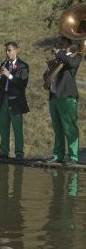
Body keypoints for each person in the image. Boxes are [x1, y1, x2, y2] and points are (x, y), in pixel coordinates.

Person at [45, 36, 82, 165]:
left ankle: (74, 157)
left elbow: (72, 64)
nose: (58, 46)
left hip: (67, 96)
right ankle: (58, 155)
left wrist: (60, 54)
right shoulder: (58, 59)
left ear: (68, 45)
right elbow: (47, 77)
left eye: (61, 44)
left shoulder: (75, 56)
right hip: (54, 96)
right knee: (58, 127)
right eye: (58, 44)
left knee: (70, 127)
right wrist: (48, 69)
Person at [0, 42, 29, 162]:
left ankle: (19, 153)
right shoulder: (4, 64)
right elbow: (0, 83)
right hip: (3, 99)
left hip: (16, 101)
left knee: (17, 128)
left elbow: (22, 83)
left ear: (16, 50)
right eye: (6, 51)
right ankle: (4, 151)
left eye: (10, 50)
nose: (7, 53)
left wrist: (9, 76)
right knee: (3, 127)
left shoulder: (23, 66)